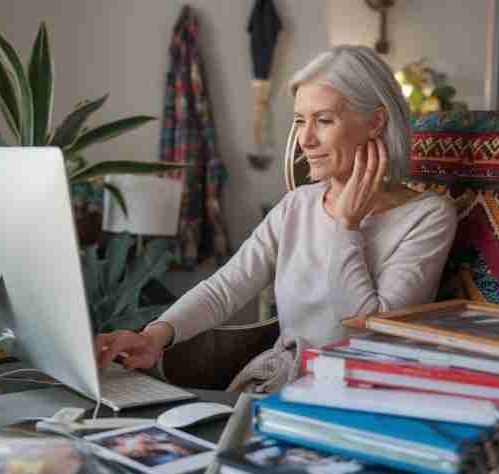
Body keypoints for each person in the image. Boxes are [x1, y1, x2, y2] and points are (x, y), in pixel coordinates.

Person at [94, 45, 458, 392]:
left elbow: (366, 328)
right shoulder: (298, 205)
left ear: (376, 122)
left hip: (356, 395)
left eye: (324, 120)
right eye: (300, 121)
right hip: (278, 383)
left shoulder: (427, 217)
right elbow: (225, 289)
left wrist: (346, 227)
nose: (305, 140)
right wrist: (152, 337)